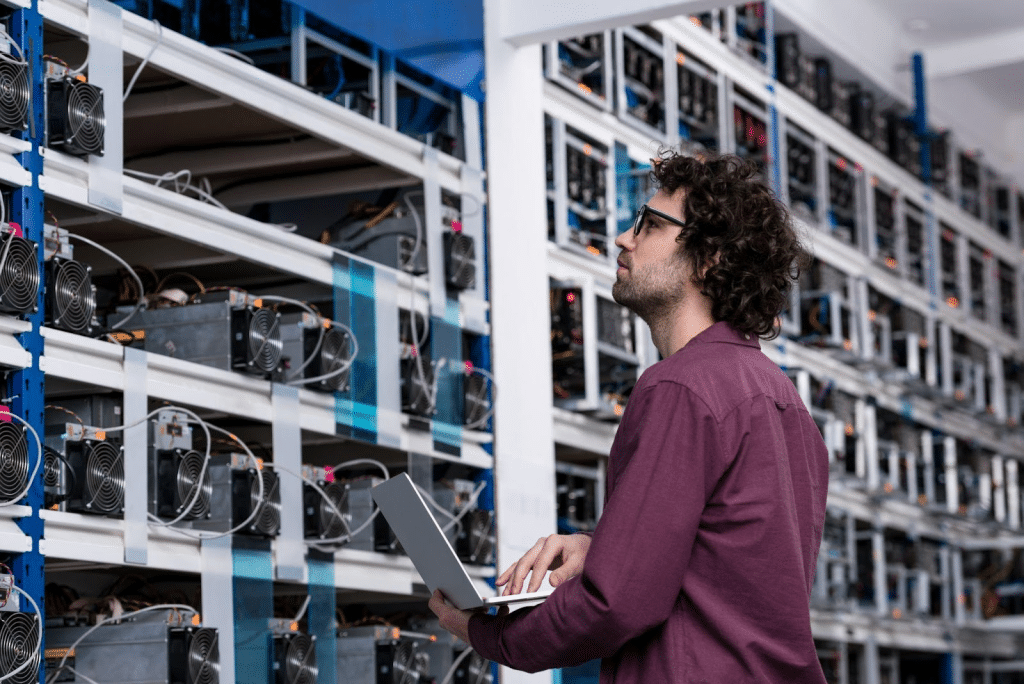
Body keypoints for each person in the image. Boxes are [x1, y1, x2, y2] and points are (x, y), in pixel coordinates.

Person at [430, 151, 829, 683]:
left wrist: (485, 631)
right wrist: (607, 551)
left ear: (708, 258)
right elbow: (730, 569)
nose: (623, 237)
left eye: (650, 225)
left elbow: (614, 604)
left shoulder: (680, 387)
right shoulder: (785, 402)